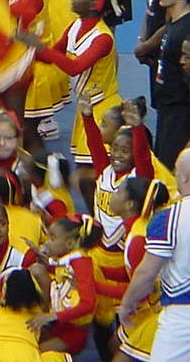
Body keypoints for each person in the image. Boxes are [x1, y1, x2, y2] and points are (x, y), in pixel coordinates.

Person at [78, 94, 155, 361]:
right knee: (100, 324)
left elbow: (143, 158)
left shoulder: (137, 179)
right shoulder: (105, 170)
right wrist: (87, 117)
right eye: (116, 149)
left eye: (125, 151)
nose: (117, 155)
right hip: (100, 256)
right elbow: (95, 146)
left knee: (125, 318)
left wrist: (137, 128)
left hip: (124, 262)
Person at [17, 0, 122, 167]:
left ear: (92, 5)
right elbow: (51, 56)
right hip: (86, 105)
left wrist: (39, 46)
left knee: (93, 169)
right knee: (85, 168)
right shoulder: (75, 26)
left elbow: (74, 67)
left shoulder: (103, 38)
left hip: (102, 108)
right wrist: (23, 49)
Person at [118, 148, 190, 362]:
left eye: (176, 171)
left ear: (185, 177)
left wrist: (127, 303)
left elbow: (146, 273)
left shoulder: (168, 219)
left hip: (182, 314)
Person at [9, 0, 75, 151]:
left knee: (26, 130)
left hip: (35, 73)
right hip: (34, 66)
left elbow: (19, 17)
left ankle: (38, 165)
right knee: (25, 128)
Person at [98, 178, 168, 362]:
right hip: (147, 309)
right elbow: (132, 273)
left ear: (129, 204)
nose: (111, 196)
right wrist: (100, 271)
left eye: (118, 192)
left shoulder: (138, 240)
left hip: (157, 312)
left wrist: (96, 286)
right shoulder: (135, 228)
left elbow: (141, 290)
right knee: (113, 344)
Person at [27, 214, 101, 356]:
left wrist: (52, 316)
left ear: (69, 243)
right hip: (59, 323)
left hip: (74, 331)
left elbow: (88, 304)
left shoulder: (81, 263)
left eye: (52, 238)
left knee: (36, 353)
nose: (47, 242)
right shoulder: (67, 258)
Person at [149, 0, 190, 170]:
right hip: (167, 109)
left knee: (170, 171)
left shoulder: (185, 32)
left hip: (180, 114)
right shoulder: (173, 24)